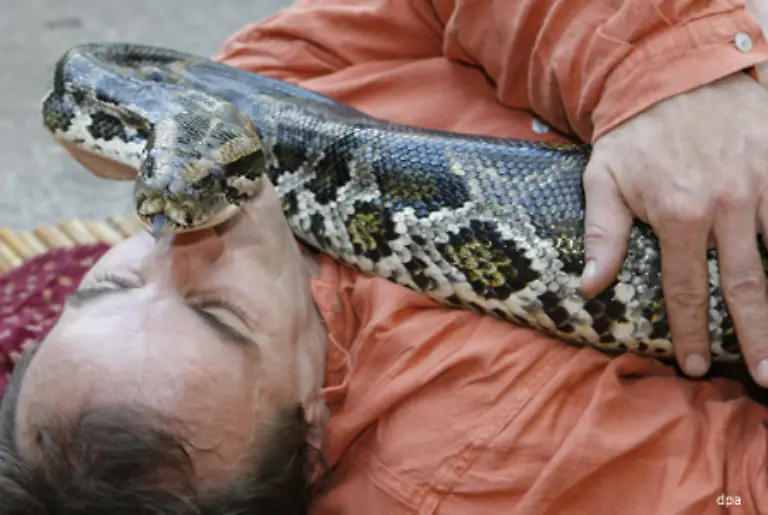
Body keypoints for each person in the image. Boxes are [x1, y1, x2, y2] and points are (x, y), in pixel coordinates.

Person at [2, 0, 768, 513]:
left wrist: (658, 72)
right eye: (218, 312)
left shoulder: (254, 87)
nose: (178, 249)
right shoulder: (481, 470)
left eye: (112, 284)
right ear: (308, 424)